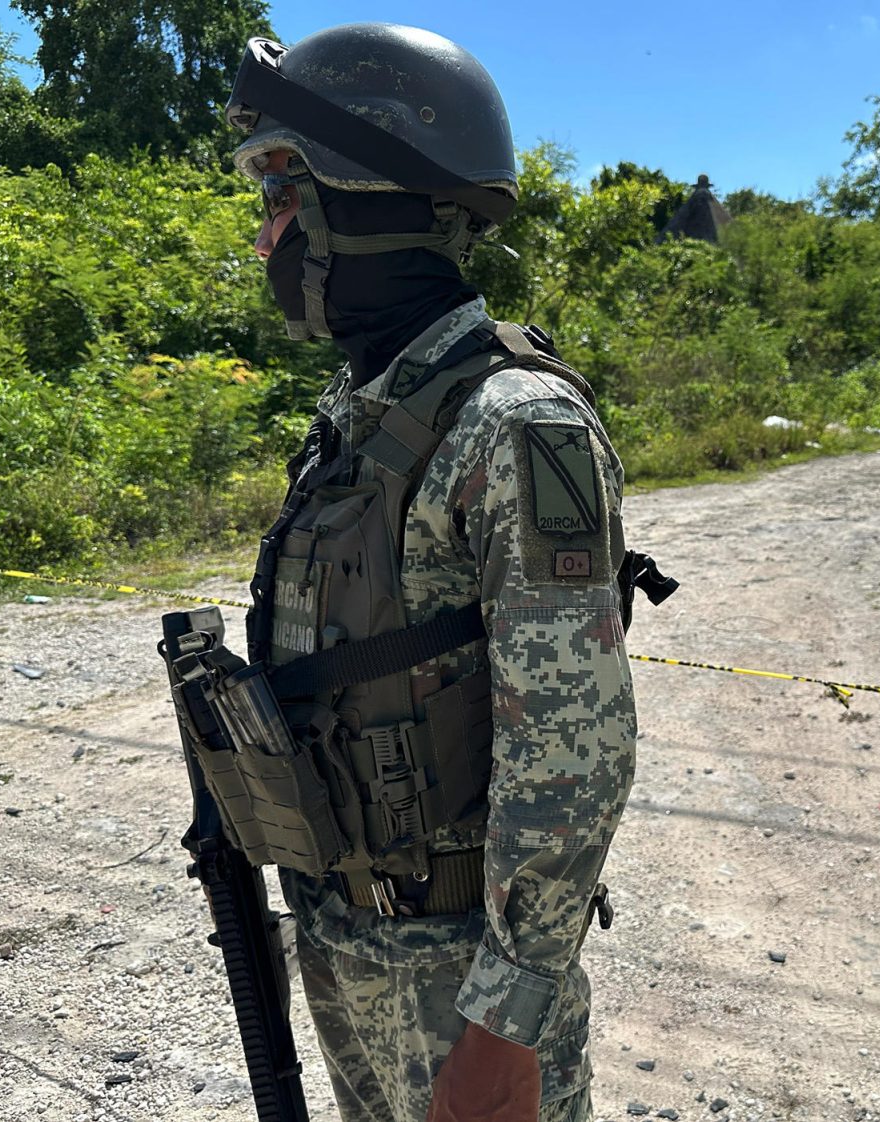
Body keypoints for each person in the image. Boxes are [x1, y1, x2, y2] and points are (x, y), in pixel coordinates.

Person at [223, 23, 638, 1122]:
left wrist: (507, 1022)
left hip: (462, 975)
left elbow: (574, 750)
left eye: (278, 200)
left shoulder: (516, 423)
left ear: (350, 201)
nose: (265, 241)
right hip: (345, 935)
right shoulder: (358, 424)